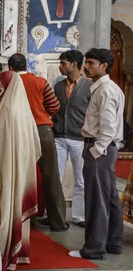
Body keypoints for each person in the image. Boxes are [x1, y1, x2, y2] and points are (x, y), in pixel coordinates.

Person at [70, 48, 124, 260]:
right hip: (104, 149)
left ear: (104, 66)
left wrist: (96, 151)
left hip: (99, 149)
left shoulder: (105, 90)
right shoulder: (106, 88)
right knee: (109, 198)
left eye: (91, 63)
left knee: (97, 200)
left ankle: (93, 249)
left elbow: (108, 127)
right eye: (86, 63)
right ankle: (113, 244)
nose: (86, 67)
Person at [8, 53, 68, 232]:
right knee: (51, 176)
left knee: (19, 177)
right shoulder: (40, 82)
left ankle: (24, 219)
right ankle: (58, 222)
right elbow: (55, 106)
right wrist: (42, 114)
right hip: (42, 130)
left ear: (10, 68)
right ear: (26, 65)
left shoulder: (8, 83)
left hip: (17, 131)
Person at [0, 71, 42, 270]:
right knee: (16, 206)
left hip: (6, 167)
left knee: (5, 205)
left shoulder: (6, 109)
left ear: (6, 87)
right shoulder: (22, 108)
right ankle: (19, 252)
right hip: (18, 167)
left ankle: (4, 251)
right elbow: (35, 146)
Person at [52, 50, 91, 228]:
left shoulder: (89, 86)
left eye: (63, 63)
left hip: (79, 138)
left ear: (74, 65)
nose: (60, 66)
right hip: (58, 136)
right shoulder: (58, 85)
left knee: (80, 178)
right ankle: (54, 214)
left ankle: (79, 216)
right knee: (55, 177)